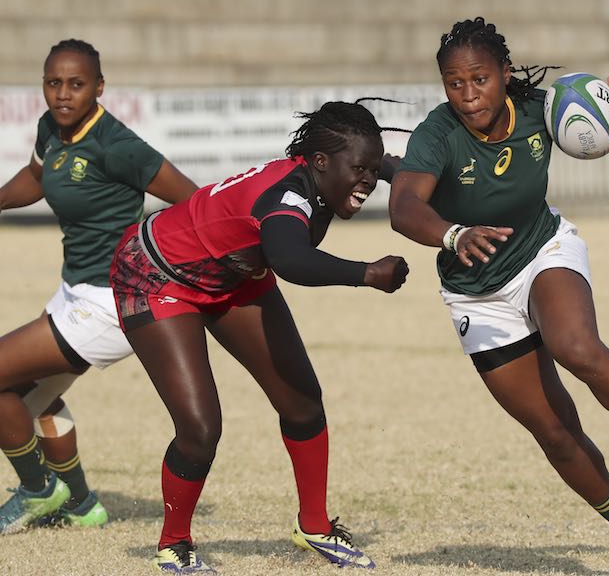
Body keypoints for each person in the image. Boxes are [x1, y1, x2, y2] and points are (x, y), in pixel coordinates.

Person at [388, 17, 609, 576]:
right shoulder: (437, 133)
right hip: (476, 295)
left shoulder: (540, 107)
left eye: (479, 78)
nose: (468, 94)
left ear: (504, 73)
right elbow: (405, 206)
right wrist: (454, 234)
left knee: (576, 347)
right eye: (454, 84)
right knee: (554, 432)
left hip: (541, 250)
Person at [109, 99, 409, 573]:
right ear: (319, 163)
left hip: (231, 272)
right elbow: (290, 261)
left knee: (303, 401)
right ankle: (174, 543)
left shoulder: (332, 172)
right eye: (360, 170)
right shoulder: (289, 198)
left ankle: (313, 527)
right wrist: (367, 272)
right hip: (157, 275)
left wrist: (411, 174)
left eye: (372, 170)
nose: (368, 181)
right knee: (201, 429)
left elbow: (398, 167)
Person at [0, 40, 198, 535]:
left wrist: (178, 268)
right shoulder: (52, 129)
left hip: (110, 302)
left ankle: (39, 491)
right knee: (35, 398)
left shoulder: (117, 145)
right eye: (53, 83)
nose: (62, 94)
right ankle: (84, 505)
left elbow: (195, 203)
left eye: (76, 84)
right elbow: (35, 177)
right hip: (73, 292)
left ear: (99, 87)